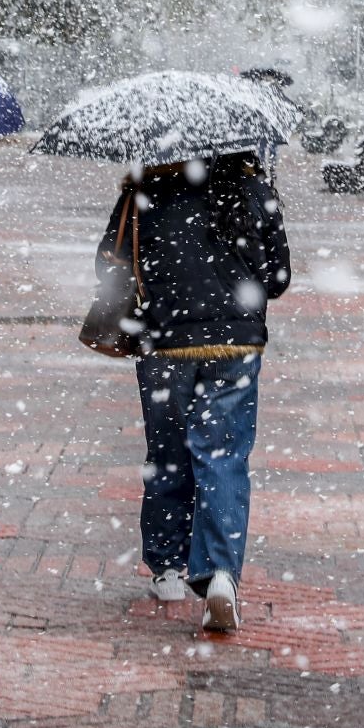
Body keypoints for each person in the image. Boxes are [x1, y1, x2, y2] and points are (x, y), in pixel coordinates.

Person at [98, 150, 290, 632]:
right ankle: (220, 572)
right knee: (222, 455)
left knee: (168, 452)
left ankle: (167, 567)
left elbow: (111, 263)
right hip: (235, 343)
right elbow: (278, 278)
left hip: (164, 341)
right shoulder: (252, 188)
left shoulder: (144, 190)